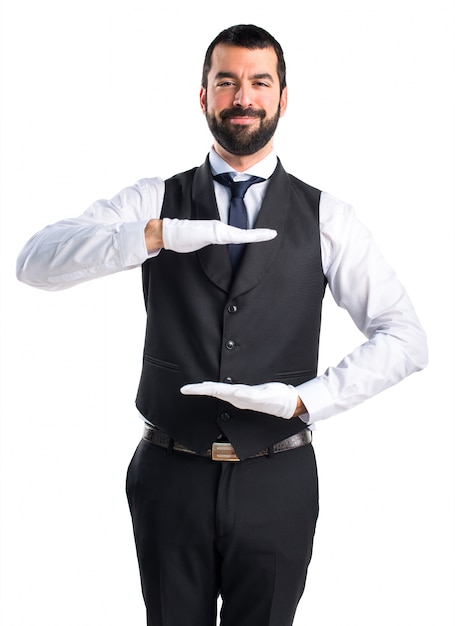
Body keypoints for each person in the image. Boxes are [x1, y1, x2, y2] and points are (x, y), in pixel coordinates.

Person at [16, 23, 428, 626]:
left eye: (260, 82)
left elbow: (405, 337)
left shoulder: (328, 216)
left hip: (278, 479)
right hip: (169, 475)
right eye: (227, 81)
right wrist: (153, 235)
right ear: (203, 95)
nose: (243, 97)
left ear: (283, 97)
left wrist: (303, 402)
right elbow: (35, 263)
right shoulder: (154, 198)